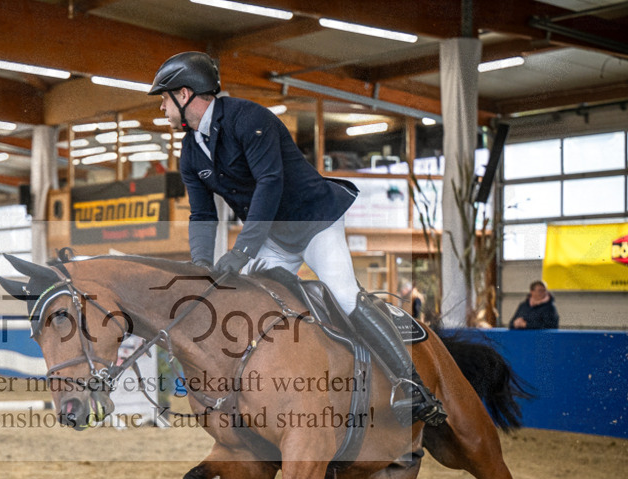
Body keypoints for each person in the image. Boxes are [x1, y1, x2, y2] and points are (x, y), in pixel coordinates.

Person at [148, 52, 445, 427]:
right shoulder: (191, 150)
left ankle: (411, 387)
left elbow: (270, 184)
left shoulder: (248, 119)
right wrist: (201, 266)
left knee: (344, 296)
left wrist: (241, 250)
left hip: (315, 222)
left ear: (185, 94)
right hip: (274, 238)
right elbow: (202, 214)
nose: (161, 107)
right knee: (250, 303)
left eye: (163, 98)